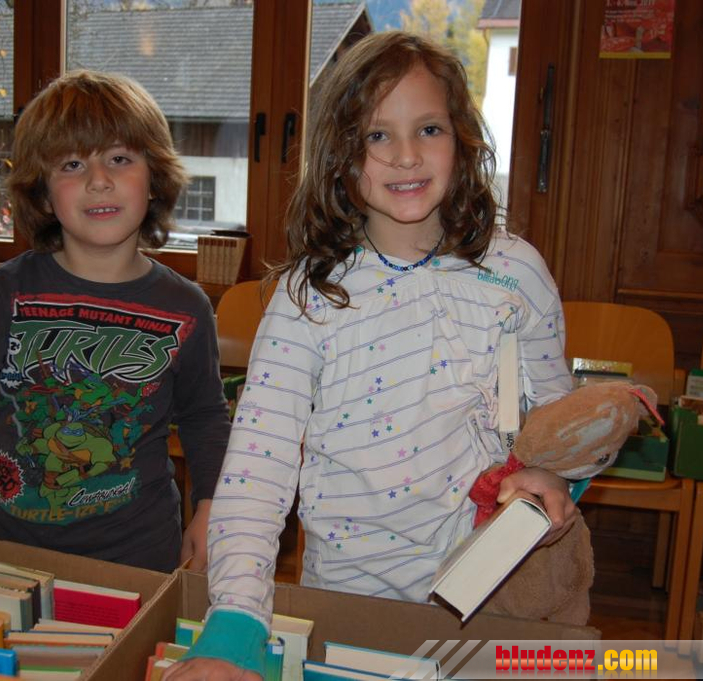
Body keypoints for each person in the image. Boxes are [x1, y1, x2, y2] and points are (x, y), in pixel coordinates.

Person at [165, 32, 578, 680]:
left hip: (489, 597)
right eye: (377, 135)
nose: (406, 154)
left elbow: (563, 420)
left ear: (462, 139)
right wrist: (236, 623)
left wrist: (557, 478)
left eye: (429, 128)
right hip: (344, 601)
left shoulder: (517, 271)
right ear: (340, 155)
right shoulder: (307, 296)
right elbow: (257, 468)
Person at [0, 70, 231, 634]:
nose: (99, 181)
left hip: (139, 564)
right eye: (72, 164)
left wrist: (211, 506)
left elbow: (206, 418)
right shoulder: (2, 294)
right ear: (42, 191)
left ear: (154, 177)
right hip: (11, 557)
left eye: (120, 158)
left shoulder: (188, 306)